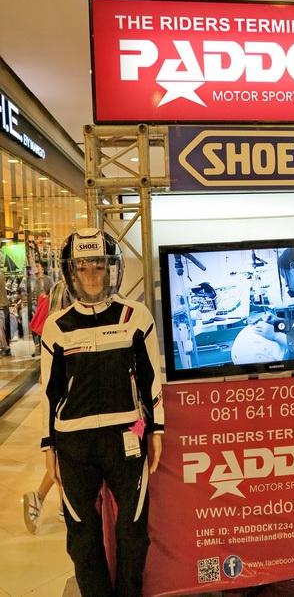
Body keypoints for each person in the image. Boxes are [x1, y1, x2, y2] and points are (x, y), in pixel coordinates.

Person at [41, 227, 164, 597]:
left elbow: (151, 378)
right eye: (83, 267)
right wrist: (49, 445)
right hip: (73, 445)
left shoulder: (135, 316)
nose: (92, 274)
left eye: (99, 265)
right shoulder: (56, 327)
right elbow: (49, 392)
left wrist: (155, 429)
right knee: (81, 535)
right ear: (72, 272)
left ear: (112, 269)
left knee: (133, 531)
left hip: (129, 435)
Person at [23, 280, 73, 534]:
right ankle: (46, 500)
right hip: (67, 401)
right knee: (65, 454)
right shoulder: (66, 324)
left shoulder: (53, 326)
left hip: (59, 401)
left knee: (64, 454)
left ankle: (50, 501)